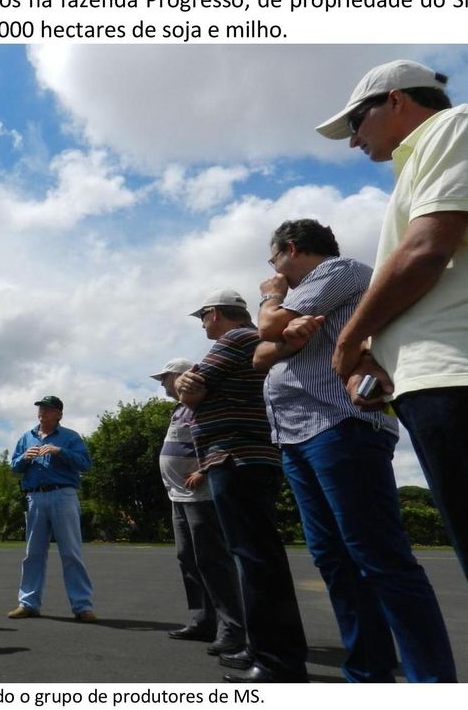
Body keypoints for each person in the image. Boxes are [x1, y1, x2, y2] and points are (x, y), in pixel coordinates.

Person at [254, 218, 456, 682]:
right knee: (333, 557)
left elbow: (267, 325)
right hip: (297, 432)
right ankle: (368, 673)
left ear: (288, 249)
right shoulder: (311, 293)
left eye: (273, 261)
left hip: (341, 423)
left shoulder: (339, 270)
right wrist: (283, 332)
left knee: (377, 556)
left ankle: (433, 683)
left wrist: (272, 298)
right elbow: (260, 355)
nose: (274, 270)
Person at [315, 60, 468, 599]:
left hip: (461, 377)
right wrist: (380, 350)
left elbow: (425, 251)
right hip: (437, 382)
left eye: (356, 122)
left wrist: (349, 340)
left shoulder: (458, 126)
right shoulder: (423, 160)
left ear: (394, 100)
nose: (351, 140)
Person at [175, 290, 308, 684]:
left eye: (203, 316)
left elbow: (191, 387)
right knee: (253, 556)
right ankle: (263, 644)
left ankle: (277, 660)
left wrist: (192, 387)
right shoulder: (256, 341)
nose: (202, 324)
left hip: (235, 455)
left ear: (215, 314)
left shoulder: (234, 339)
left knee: (255, 559)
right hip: (250, 456)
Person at [152, 359, 245, 655]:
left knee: (212, 560)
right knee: (187, 557)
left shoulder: (205, 403)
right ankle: (204, 620)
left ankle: (231, 628)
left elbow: (221, 438)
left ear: (181, 376)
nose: (163, 383)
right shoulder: (179, 409)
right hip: (177, 496)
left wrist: (204, 470)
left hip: (200, 495)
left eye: (165, 377)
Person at [7, 394, 95, 621]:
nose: (42, 411)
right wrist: (24, 457)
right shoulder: (27, 437)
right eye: (40, 408)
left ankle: (82, 606)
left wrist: (60, 451)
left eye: (47, 408)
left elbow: (85, 464)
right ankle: (28, 603)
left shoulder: (70, 437)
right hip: (35, 497)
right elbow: (14, 468)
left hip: (63, 495)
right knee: (33, 553)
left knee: (71, 552)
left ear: (58, 414)